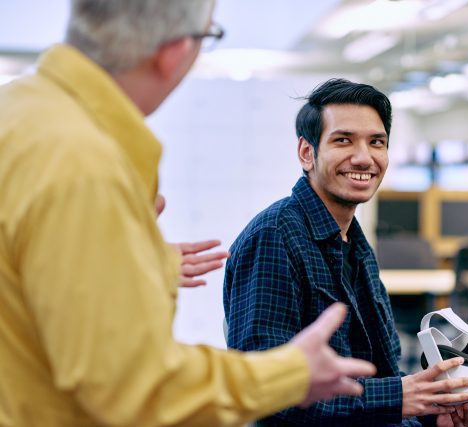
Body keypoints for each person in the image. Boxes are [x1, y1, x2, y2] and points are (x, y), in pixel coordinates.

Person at [0, 1, 377, 426]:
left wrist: (130, 262)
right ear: (177, 49)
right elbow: (136, 390)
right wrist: (289, 374)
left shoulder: (17, 109)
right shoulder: (83, 162)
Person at [224, 78, 468, 426]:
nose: (363, 157)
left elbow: (380, 375)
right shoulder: (275, 237)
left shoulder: (354, 243)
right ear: (307, 152)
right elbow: (263, 389)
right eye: (343, 140)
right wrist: (399, 398)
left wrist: (432, 415)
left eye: (377, 142)